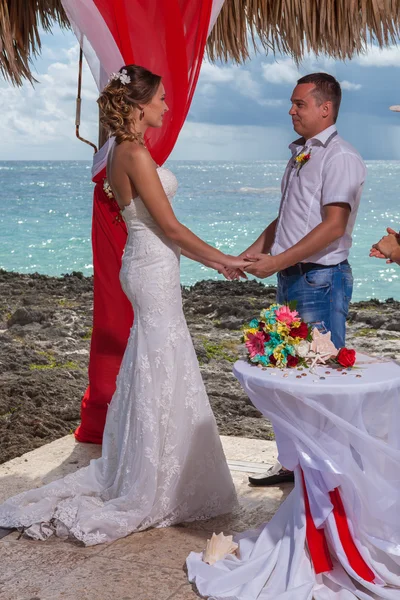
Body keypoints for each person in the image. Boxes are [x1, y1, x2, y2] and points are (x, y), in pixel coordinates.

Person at [0, 65, 251, 545]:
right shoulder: (133, 152)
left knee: (154, 362)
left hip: (148, 264)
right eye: (161, 98)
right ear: (139, 105)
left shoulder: (120, 149)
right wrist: (223, 262)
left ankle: (153, 463)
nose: (167, 106)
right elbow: (171, 228)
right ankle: (151, 478)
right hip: (152, 267)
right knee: (162, 360)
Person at [240, 73, 366, 486]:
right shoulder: (300, 153)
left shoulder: (340, 157)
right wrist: (255, 251)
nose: (291, 111)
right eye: (292, 104)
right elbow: (291, 216)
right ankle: (294, 465)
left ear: (325, 108)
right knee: (288, 377)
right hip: (293, 278)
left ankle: (328, 476)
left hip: (320, 282)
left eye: (299, 104)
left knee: (321, 380)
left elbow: (332, 227)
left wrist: (276, 263)